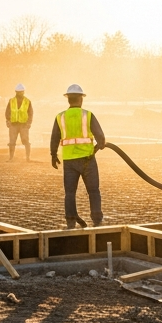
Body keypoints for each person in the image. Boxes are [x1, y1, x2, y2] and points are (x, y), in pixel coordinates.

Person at [50, 83, 106, 230]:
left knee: (70, 193)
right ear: (81, 99)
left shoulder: (60, 117)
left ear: (68, 99)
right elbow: (101, 137)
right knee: (93, 190)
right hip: (88, 159)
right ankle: (97, 220)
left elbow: (54, 138)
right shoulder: (88, 115)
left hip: (69, 161)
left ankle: (70, 221)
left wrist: (53, 155)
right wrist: (98, 145)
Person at [5, 83, 33, 161]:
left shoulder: (27, 101)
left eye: (21, 92)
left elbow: (30, 113)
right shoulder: (11, 101)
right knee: (12, 142)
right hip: (13, 124)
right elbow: (7, 111)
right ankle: (11, 158)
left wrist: (29, 123)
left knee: (26, 141)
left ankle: (28, 158)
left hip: (24, 124)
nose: (20, 93)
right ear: (15, 92)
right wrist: (7, 121)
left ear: (23, 92)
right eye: (18, 92)